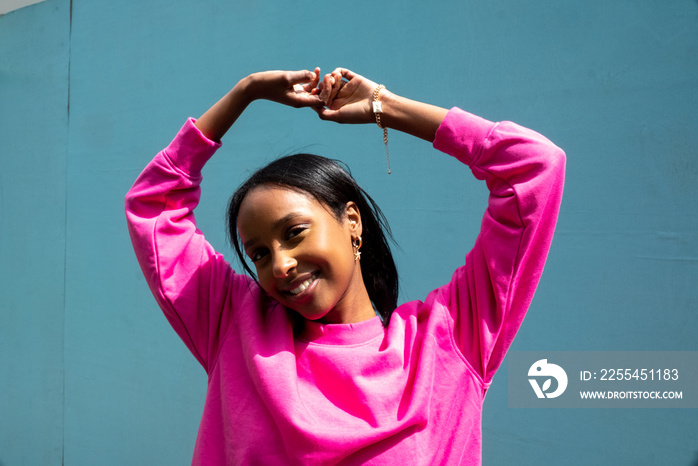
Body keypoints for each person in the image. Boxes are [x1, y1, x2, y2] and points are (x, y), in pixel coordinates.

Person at [125, 67, 566, 465]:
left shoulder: (447, 343)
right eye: (258, 254)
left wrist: (384, 105)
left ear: (352, 221)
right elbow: (154, 207)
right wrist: (246, 91)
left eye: (294, 232)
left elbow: (533, 168)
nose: (279, 265)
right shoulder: (236, 327)